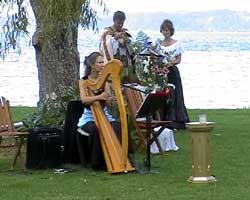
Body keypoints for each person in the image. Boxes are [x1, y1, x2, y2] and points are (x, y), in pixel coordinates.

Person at [77, 52, 136, 170]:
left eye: (103, 62)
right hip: (88, 117)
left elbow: (107, 101)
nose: (103, 65)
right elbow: (84, 100)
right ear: (92, 65)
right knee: (94, 129)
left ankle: (126, 156)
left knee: (118, 125)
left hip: (105, 115)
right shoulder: (83, 81)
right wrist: (99, 97)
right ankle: (97, 163)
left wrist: (112, 100)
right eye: (100, 62)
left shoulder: (105, 82)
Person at [155, 19, 189, 129]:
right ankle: (163, 119)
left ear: (171, 31)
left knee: (175, 94)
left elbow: (178, 60)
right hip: (161, 72)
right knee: (163, 95)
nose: (165, 32)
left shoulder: (176, 44)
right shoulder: (158, 44)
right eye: (163, 30)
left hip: (172, 72)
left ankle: (177, 120)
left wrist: (169, 63)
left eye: (167, 30)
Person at [99, 11, 137, 83]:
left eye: (122, 23)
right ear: (114, 20)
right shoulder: (107, 33)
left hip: (125, 63)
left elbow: (132, 48)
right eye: (118, 23)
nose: (120, 25)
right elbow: (104, 47)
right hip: (114, 62)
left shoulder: (126, 32)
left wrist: (127, 42)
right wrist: (115, 39)